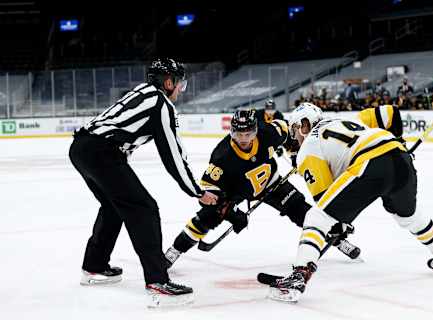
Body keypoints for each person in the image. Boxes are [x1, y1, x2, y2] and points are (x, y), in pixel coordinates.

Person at [267, 103, 433, 302]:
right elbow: (391, 113)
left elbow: (324, 201)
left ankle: (299, 275)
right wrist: (401, 142)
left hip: (370, 163)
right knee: (409, 216)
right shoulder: (350, 119)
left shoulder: (308, 147)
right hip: (400, 157)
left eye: (294, 131)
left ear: (303, 125)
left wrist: (338, 224)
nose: (295, 138)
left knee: (317, 217)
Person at [69, 58, 218, 306]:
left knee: (113, 207)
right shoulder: (162, 105)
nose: (181, 89)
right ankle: (158, 281)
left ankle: (94, 266)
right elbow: (173, 156)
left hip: (82, 147)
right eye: (180, 83)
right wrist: (196, 191)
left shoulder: (142, 91)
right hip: (102, 153)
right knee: (144, 208)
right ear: (168, 82)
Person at [164, 109, 362, 269]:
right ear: (231, 131)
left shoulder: (269, 132)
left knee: (303, 212)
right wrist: (230, 212)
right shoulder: (221, 156)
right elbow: (208, 195)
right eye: (239, 133)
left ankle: (336, 240)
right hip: (236, 192)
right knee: (207, 216)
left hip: (273, 183)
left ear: (256, 130)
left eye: (248, 133)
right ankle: (175, 250)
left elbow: (291, 134)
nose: (243, 138)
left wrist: (296, 153)